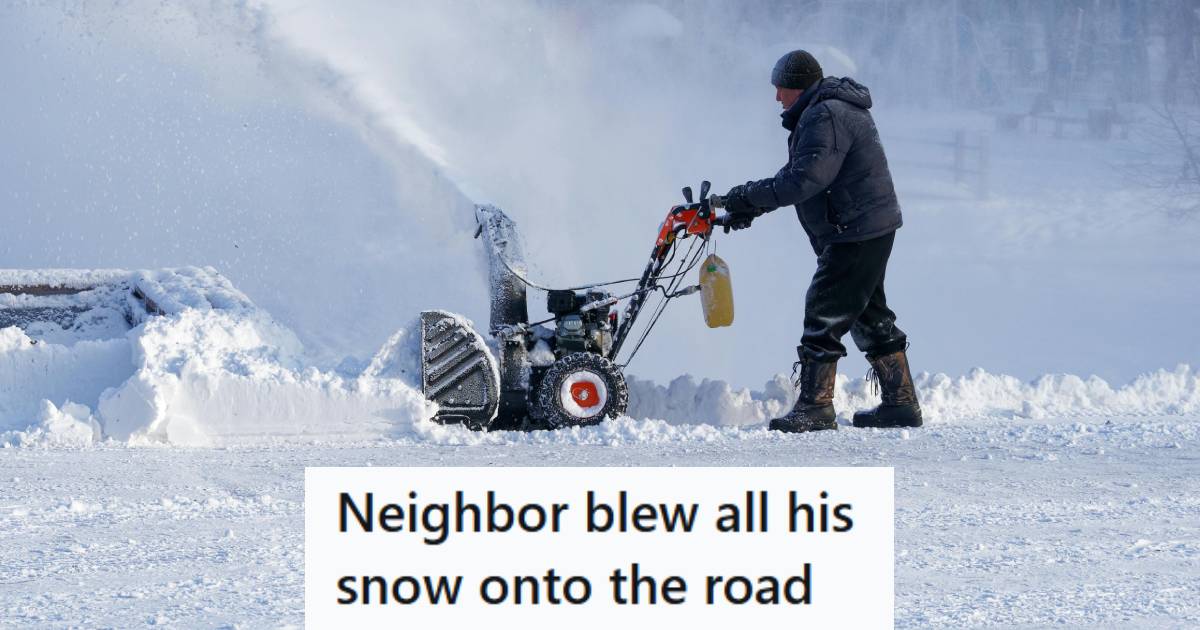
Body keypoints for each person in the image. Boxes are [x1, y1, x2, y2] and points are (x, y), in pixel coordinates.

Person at [716, 49, 922, 433]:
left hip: (854, 230)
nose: (777, 97)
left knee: (823, 312)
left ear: (799, 86)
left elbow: (804, 180)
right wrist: (750, 206)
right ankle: (901, 403)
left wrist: (745, 196)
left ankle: (816, 406)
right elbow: (802, 173)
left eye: (781, 88)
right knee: (868, 314)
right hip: (864, 226)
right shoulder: (827, 111)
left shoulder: (826, 114)